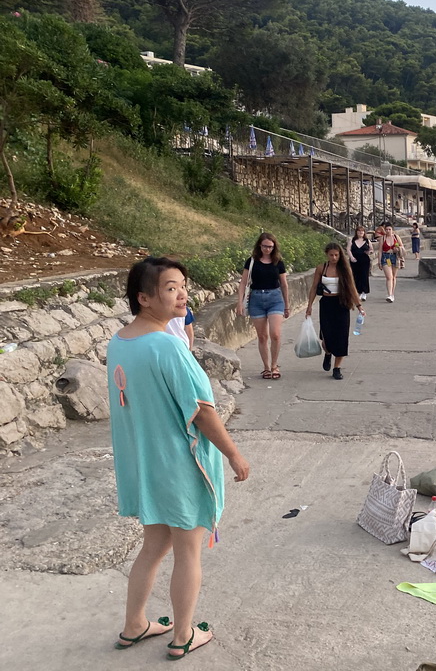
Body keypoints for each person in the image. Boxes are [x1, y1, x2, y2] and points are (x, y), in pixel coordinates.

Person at [108, 257, 250, 659]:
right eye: (170, 288)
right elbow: (202, 411)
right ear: (144, 298)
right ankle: (183, 634)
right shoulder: (167, 344)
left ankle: (135, 624)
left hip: (145, 465)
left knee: (153, 546)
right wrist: (234, 455)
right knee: (188, 551)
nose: (182, 293)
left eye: (182, 285)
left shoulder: (119, 341)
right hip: (179, 464)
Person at [306, 242, 365, 380]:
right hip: (326, 304)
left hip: (341, 303)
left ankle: (337, 367)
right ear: (327, 255)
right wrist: (309, 306)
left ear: (340, 255)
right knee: (326, 337)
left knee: (341, 336)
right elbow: (314, 287)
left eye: (336, 255)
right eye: (331, 255)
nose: (334, 257)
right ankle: (327, 353)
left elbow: (352, 288)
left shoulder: (345, 269)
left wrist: (359, 306)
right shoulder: (322, 268)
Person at [236, 232, 289, 380]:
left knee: (275, 334)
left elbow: (284, 285)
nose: (268, 249)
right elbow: (243, 282)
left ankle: (274, 365)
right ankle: (266, 367)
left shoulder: (278, 262)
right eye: (265, 246)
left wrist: (287, 305)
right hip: (257, 299)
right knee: (262, 336)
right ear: (260, 245)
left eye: (271, 247)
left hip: (275, 298)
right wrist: (239, 302)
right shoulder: (252, 261)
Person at [378, 221, 405, 303]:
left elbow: (402, 246)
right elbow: (380, 250)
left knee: (393, 276)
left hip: (395, 257)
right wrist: (379, 262)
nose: (388, 231)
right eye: (386, 229)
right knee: (389, 277)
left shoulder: (396, 237)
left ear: (392, 230)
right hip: (386, 257)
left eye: (389, 229)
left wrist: (398, 248)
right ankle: (389, 294)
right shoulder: (383, 238)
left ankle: (392, 294)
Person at [349, 225, 374, 301]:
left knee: (364, 275)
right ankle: (357, 291)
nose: (361, 232)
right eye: (359, 231)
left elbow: (371, 249)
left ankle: (364, 292)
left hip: (364, 260)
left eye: (362, 231)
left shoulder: (367, 241)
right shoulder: (352, 240)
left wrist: (369, 252)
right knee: (356, 276)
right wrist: (351, 257)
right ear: (356, 232)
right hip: (355, 260)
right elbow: (348, 249)